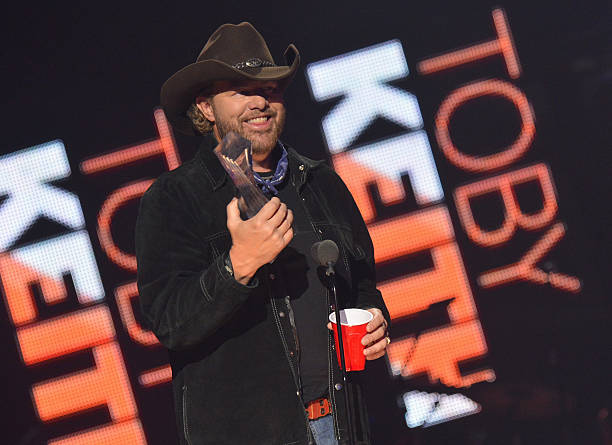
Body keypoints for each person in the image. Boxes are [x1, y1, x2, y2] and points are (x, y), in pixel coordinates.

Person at [136, 22, 391, 445]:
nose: (260, 101)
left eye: (270, 89)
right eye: (240, 90)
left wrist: (376, 317)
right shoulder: (174, 198)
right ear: (205, 107)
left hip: (343, 423)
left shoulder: (321, 182)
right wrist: (239, 265)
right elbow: (169, 322)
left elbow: (362, 284)